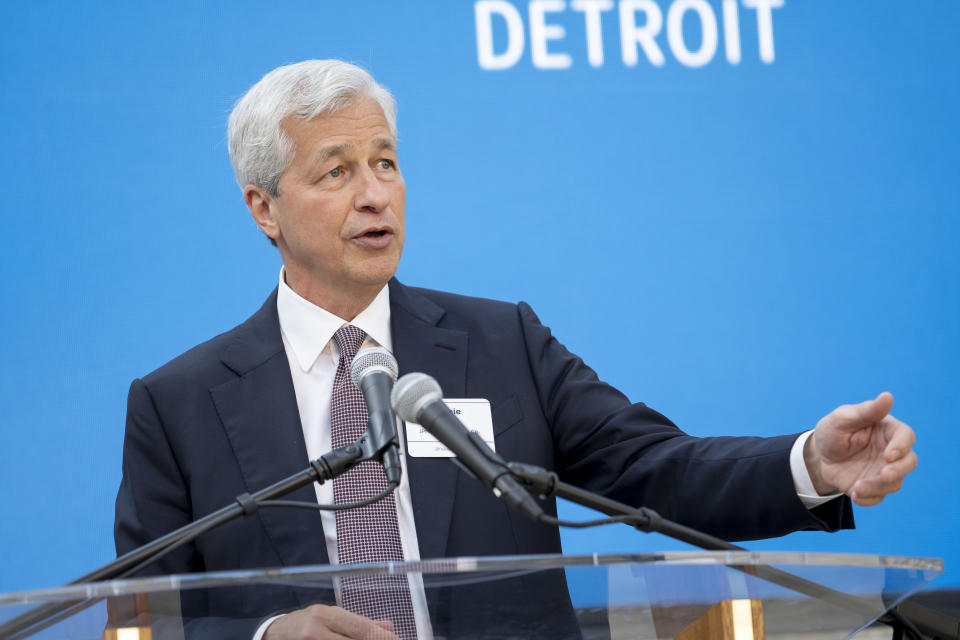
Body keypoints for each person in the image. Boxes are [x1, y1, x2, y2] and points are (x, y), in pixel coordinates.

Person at [114, 60, 918, 640]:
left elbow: (655, 470)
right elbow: (145, 614)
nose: (375, 192)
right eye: (337, 171)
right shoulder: (178, 402)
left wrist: (810, 464)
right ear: (264, 208)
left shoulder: (504, 344)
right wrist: (266, 638)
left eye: (386, 162)